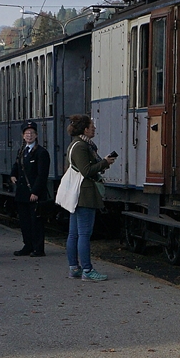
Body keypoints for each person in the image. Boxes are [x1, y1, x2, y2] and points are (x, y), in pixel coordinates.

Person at [64, 114, 115, 281]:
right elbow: (86, 171)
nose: (94, 128)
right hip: (84, 193)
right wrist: (105, 163)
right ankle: (87, 270)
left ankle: (74, 268)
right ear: (85, 128)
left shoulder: (78, 144)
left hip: (77, 193)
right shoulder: (81, 146)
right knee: (83, 234)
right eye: (91, 125)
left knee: (74, 233)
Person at [10, 121, 51, 257]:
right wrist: (12, 175)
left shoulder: (41, 152)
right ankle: (27, 245)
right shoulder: (22, 151)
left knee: (36, 221)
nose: (29, 135)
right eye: (27, 133)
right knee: (25, 221)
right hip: (22, 193)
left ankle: (38, 248)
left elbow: (42, 175)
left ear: (36, 135)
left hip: (34, 193)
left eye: (32, 133)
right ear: (23, 136)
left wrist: (35, 192)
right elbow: (17, 166)